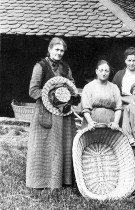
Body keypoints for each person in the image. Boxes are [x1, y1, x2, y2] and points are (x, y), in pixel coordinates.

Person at [26, 37, 77, 189]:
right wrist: (51, 93)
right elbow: (33, 91)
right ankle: (40, 181)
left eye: (62, 51)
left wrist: (66, 93)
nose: (59, 53)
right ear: (49, 50)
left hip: (63, 114)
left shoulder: (66, 67)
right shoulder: (40, 66)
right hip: (46, 111)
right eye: (57, 50)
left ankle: (63, 180)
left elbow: (72, 86)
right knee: (45, 146)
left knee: (63, 145)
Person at [81, 60, 122, 130]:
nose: (104, 73)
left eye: (106, 71)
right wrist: (90, 122)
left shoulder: (114, 87)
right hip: (93, 124)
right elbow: (85, 108)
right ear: (96, 71)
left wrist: (115, 123)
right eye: (101, 70)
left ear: (109, 72)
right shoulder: (89, 87)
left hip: (110, 124)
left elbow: (118, 108)